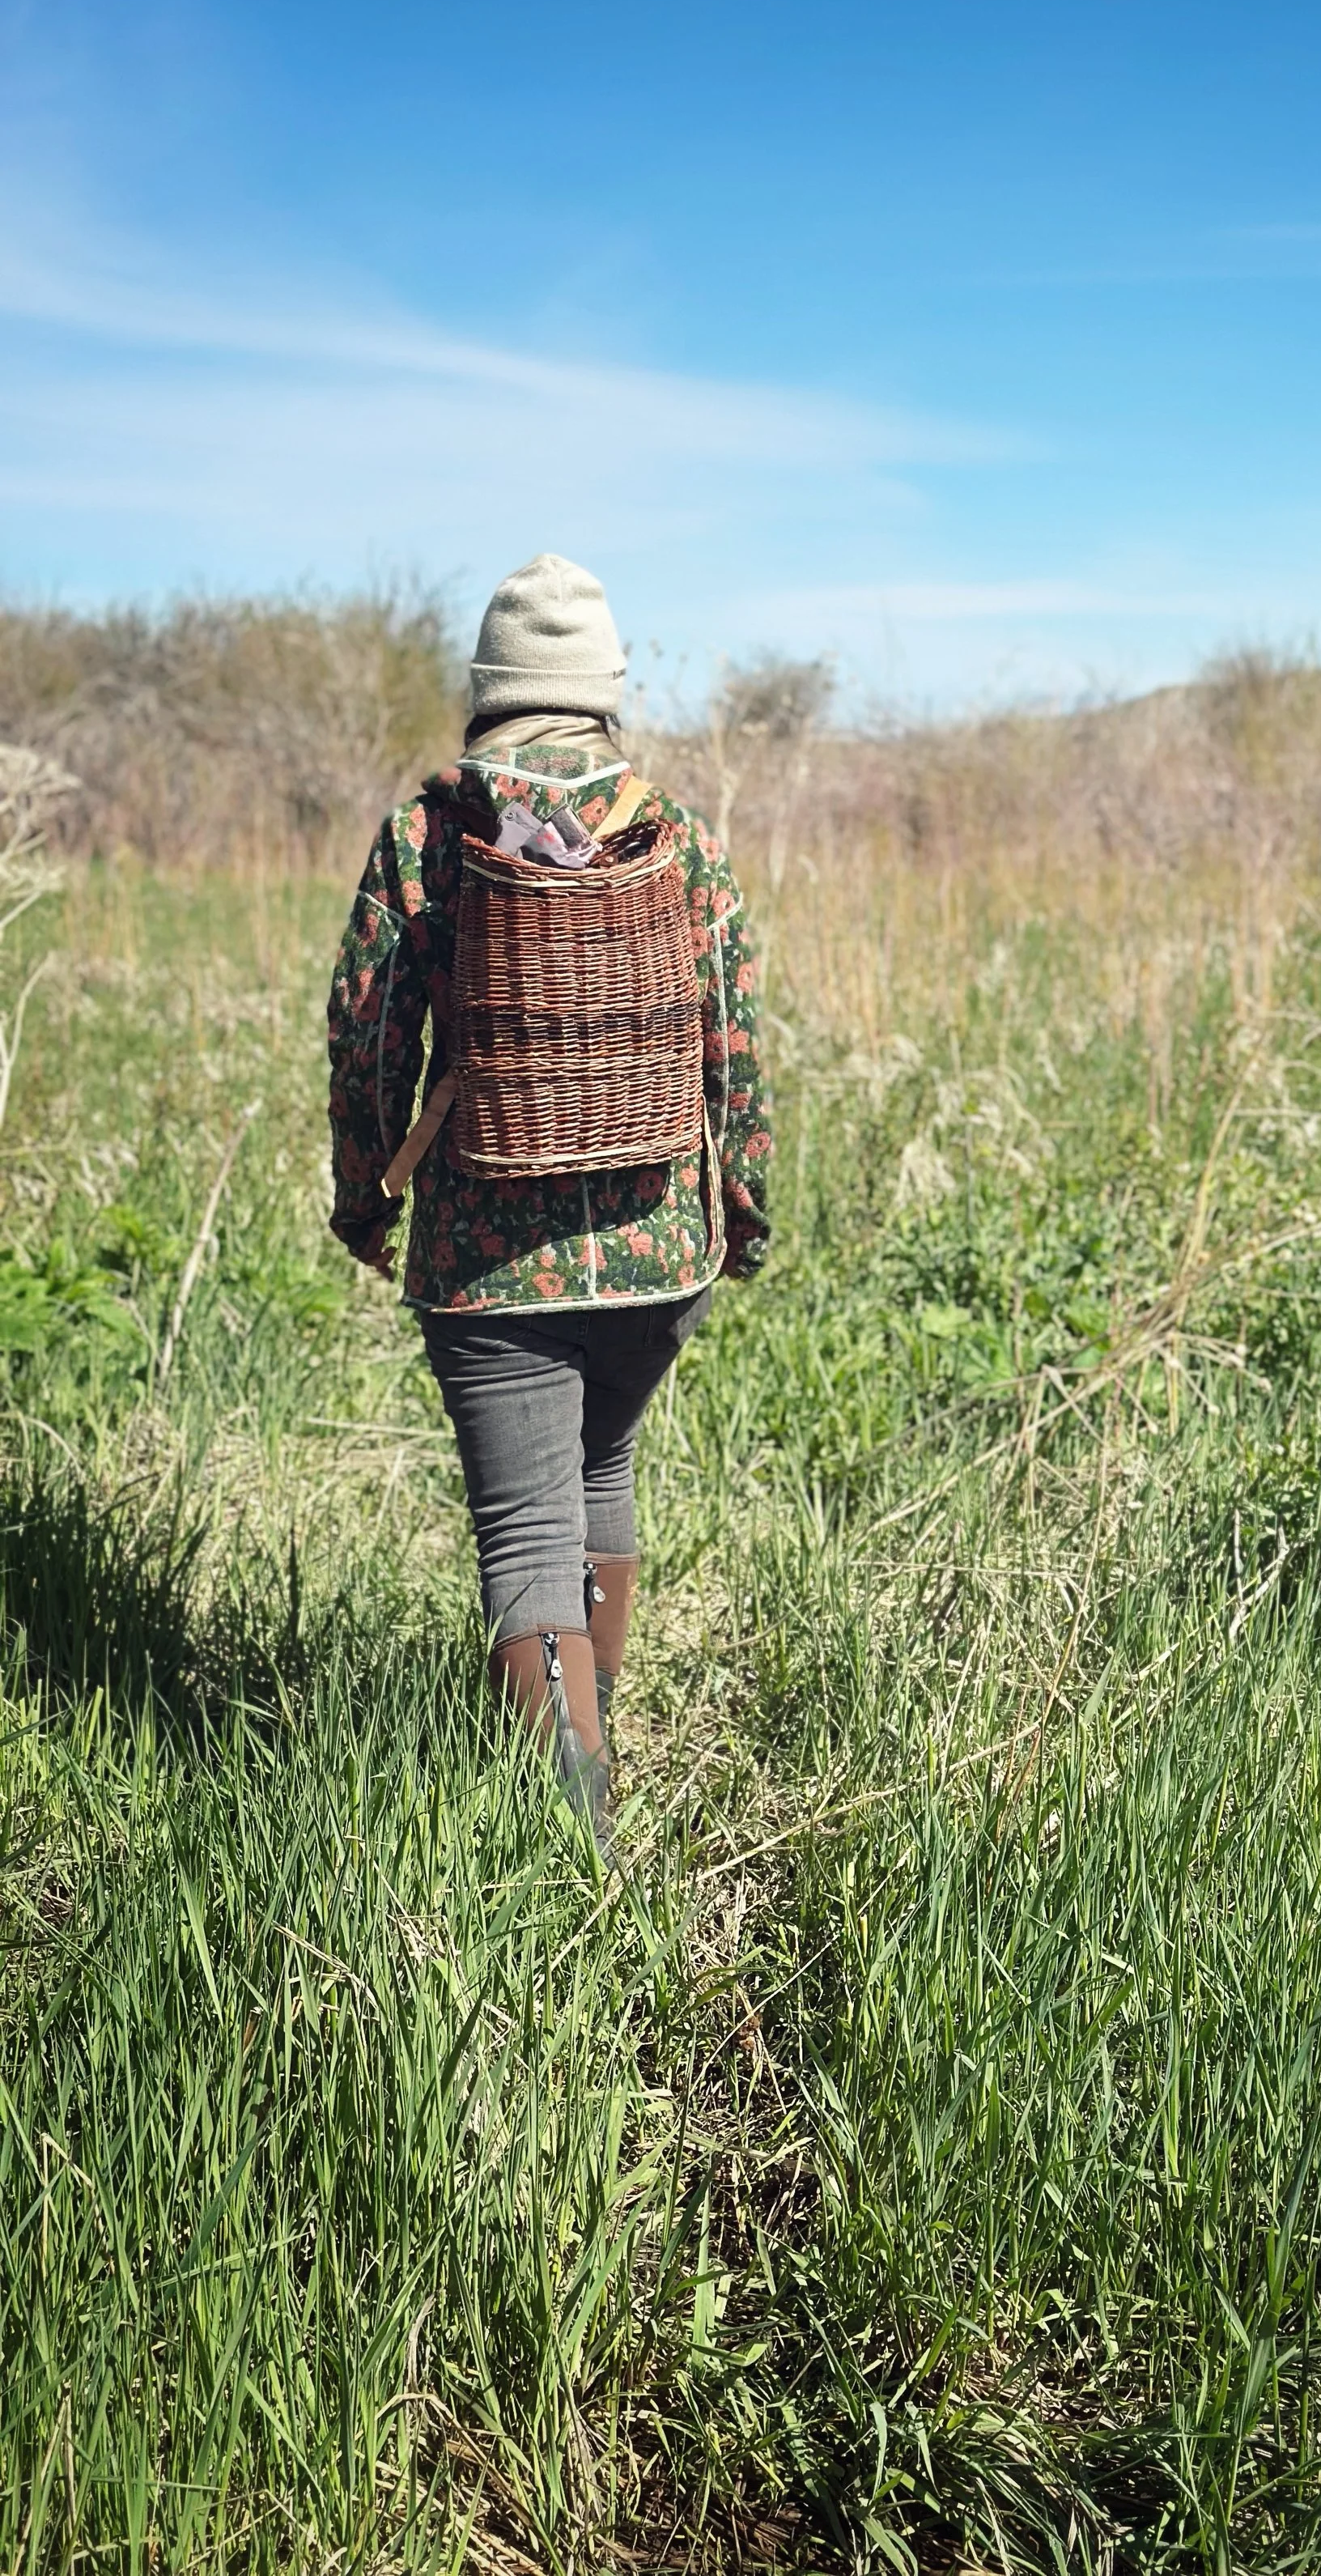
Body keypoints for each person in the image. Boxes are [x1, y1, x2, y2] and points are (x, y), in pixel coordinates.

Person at [325, 554, 771, 1855]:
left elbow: (367, 1033)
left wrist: (368, 1198)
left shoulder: (428, 834)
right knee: (601, 1466)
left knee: (527, 1534)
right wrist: (739, 1208)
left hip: (486, 1256)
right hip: (660, 1250)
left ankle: (572, 1839)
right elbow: (733, 1045)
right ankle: (596, 1726)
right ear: (603, 689)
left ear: (490, 688)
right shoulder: (675, 833)